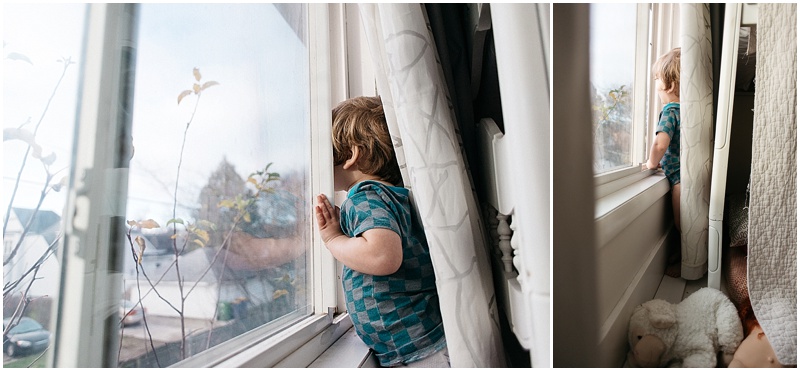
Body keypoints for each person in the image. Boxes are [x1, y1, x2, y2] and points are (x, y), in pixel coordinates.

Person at [314, 96, 449, 368]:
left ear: (351, 155)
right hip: (415, 345)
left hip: (421, 349)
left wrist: (333, 239)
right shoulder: (386, 197)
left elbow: (382, 256)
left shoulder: (365, 197)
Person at [643, 47, 681, 276]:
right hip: (688, 174)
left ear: (670, 85)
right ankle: (683, 254)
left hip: (680, 179)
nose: (656, 85)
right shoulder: (689, 111)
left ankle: (688, 263)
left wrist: (650, 163)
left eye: (657, 79)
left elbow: (661, 143)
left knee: (682, 224)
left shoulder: (670, 111)